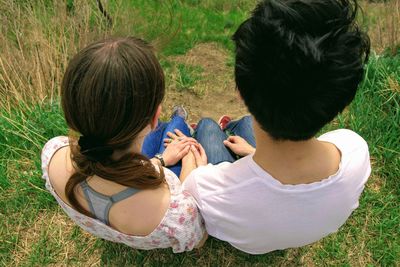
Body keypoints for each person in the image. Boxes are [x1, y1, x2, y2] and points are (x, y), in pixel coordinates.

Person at [182, 0, 372, 254]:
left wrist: (188, 162)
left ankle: (216, 128)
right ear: (343, 100)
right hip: (277, 215)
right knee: (245, 126)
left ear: (240, 91)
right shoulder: (355, 150)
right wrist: (252, 152)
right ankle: (234, 129)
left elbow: (185, 201)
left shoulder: (209, 191)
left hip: (244, 225)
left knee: (207, 128)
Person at [41, 37, 207, 253]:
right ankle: (179, 120)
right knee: (178, 128)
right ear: (154, 119)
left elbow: (107, 173)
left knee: (175, 131)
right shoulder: (176, 210)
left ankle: (177, 121)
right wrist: (193, 170)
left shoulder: (53, 153)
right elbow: (199, 239)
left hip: (141, 175)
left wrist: (161, 159)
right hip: (155, 188)